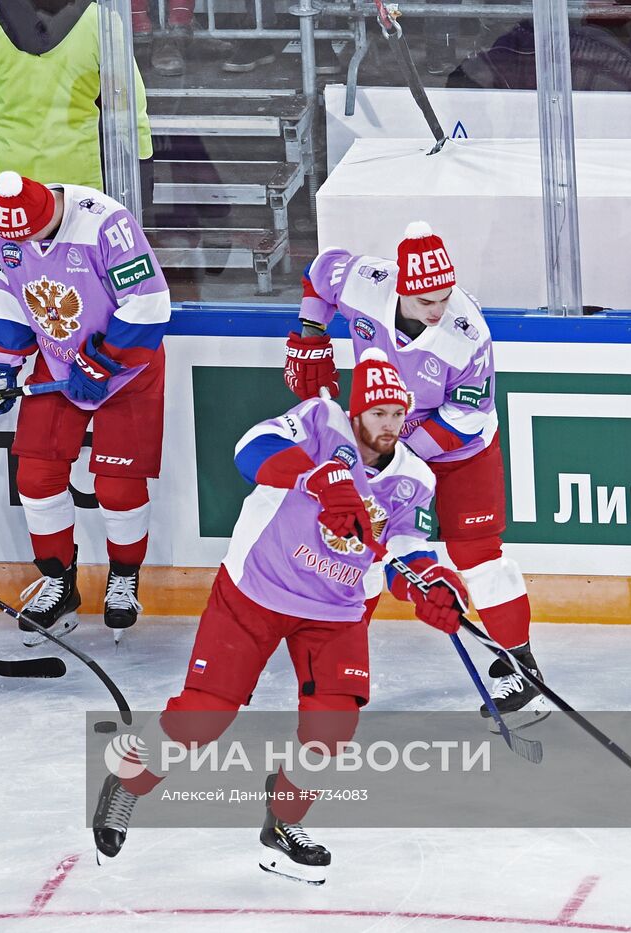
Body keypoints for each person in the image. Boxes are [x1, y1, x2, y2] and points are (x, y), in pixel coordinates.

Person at [91, 349, 465, 882]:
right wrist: (320, 478)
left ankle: (283, 824)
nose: (390, 425)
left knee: (333, 725)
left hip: (336, 610)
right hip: (258, 590)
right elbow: (251, 449)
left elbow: (407, 550)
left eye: (399, 414)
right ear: (357, 411)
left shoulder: (415, 479)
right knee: (206, 715)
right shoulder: (317, 422)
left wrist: (429, 588)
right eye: (380, 413)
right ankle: (127, 783)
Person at [284, 222, 548, 726]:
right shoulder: (365, 281)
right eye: (427, 298)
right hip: (384, 441)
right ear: (402, 286)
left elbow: (468, 412)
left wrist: (402, 457)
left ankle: (520, 665)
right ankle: (336, 676)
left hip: (460, 451)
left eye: (445, 296)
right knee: (358, 551)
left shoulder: (466, 334)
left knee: (478, 555)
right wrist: (309, 336)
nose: (438, 308)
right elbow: (319, 273)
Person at [0, 171, 169, 644]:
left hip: (127, 370)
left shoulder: (106, 224)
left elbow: (150, 303)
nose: (25, 244)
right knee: (35, 478)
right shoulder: (4, 226)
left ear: (51, 212)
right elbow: (10, 302)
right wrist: (1, 367)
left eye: (34, 234)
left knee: (117, 486)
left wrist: (103, 364)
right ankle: (59, 582)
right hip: (58, 366)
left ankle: (123, 577)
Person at [0, 0, 153, 209]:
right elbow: (131, 109)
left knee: (12, 243)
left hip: (9, 185)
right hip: (81, 191)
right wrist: (140, 185)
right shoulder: (101, 22)